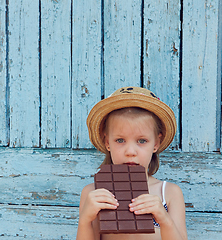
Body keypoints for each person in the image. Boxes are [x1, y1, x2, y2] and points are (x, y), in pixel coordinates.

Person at [76, 86, 188, 240]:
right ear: (107, 142)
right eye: (120, 140)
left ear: (156, 143)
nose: (130, 151)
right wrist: (85, 220)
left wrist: (163, 219)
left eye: (142, 141)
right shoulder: (93, 193)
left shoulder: (169, 193)